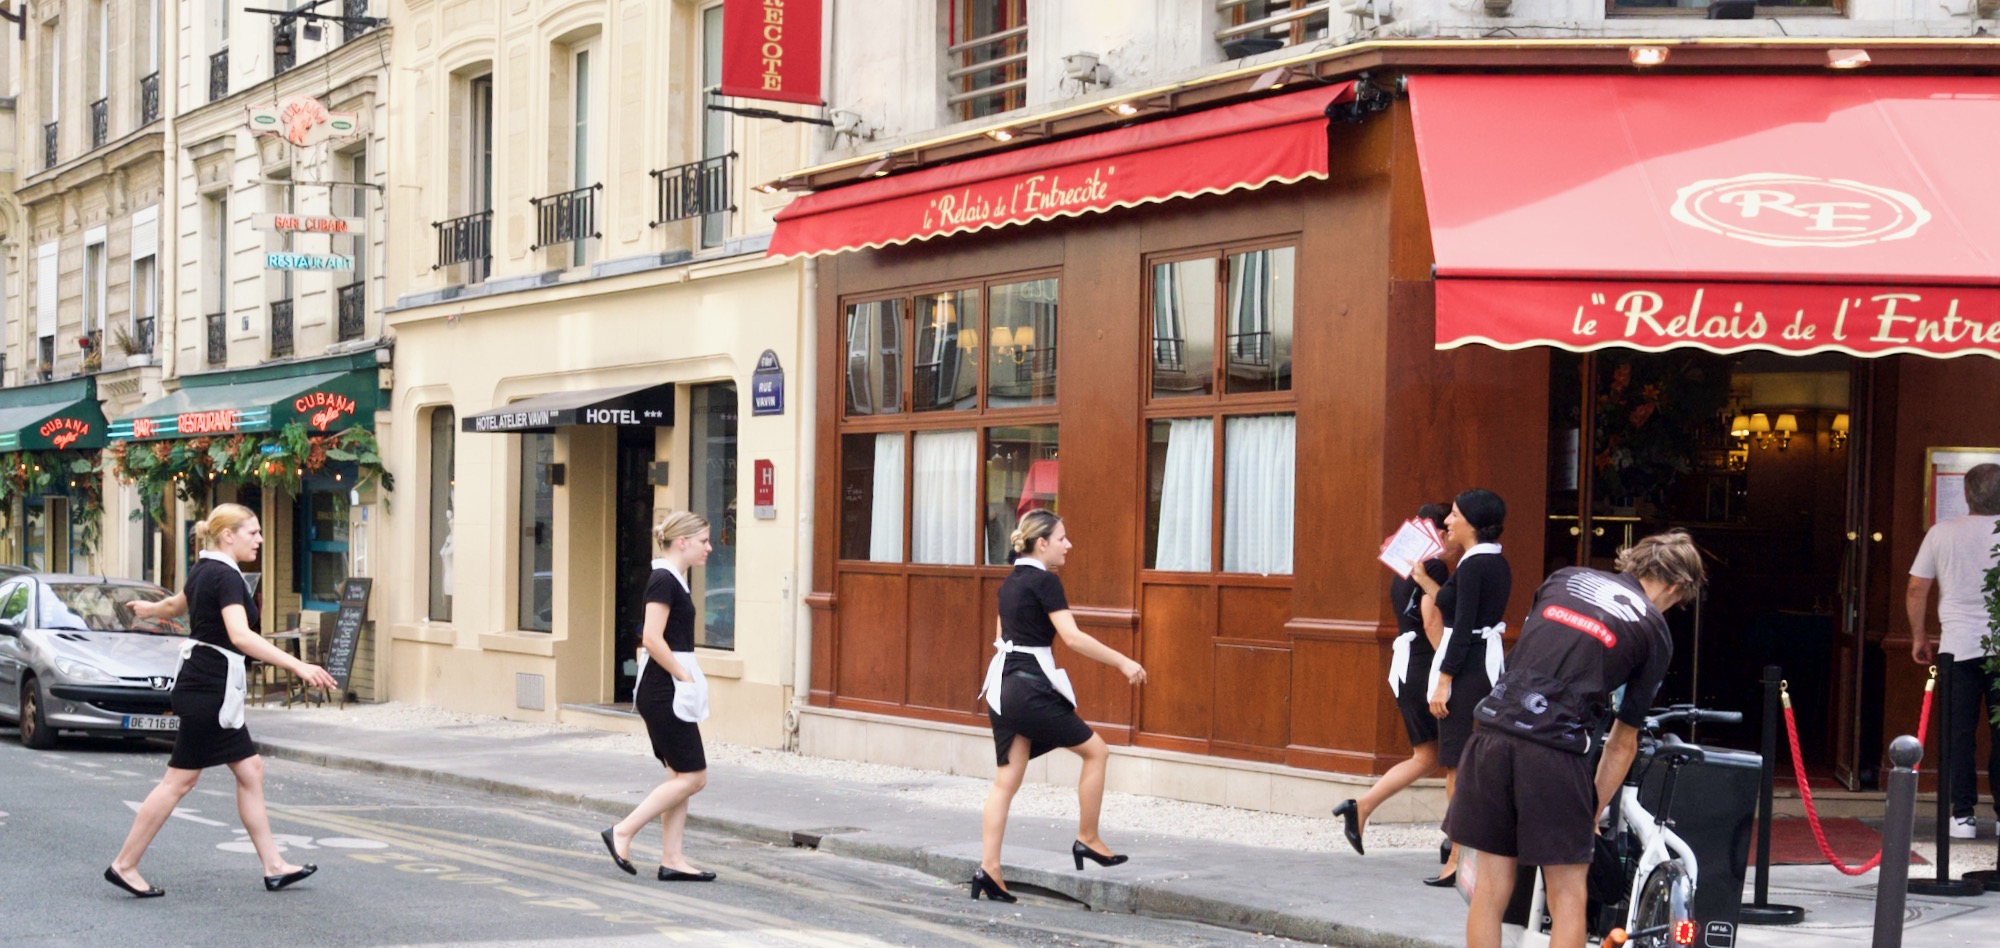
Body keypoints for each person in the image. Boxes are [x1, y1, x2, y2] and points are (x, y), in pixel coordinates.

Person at [1448, 530, 1704, 948]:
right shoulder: (1653, 627)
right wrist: (1592, 809)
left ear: (1634, 561)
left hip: (1492, 729)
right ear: (1676, 587)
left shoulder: (1562, 579)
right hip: (1553, 747)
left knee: (1491, 888)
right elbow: (1623, 741)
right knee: (1569, 894)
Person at [108, 503, 339, 898]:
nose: (260, 540)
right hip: (209, 688)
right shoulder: (226, 576)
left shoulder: (205, 569)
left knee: (250, 769)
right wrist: (298, 666)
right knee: (178, 781)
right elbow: (240, 636)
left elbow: (175, 606)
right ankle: (125, 864)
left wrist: (149, 609)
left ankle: (274, 866)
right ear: (227, 535)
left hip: (209, 682)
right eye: (253, 533)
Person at [971, 510, 1148, 902]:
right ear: (1042, 543)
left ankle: (989, 869)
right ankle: (1087, 838)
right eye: (1063, 538)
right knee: (1097, 751)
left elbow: (1001, 637)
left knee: (1006, 781)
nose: (1068, 545)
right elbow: (1072, 638)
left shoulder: (1010, 583)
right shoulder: (1046, 581)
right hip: (1028, 686)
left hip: (1002, 686)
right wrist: (1124, 661)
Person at [1334, 502, 1457, 856]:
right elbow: (1431, 618)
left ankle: (1362, 807)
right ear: (1438, 533)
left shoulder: (1406, 567)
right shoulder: (1433, 567)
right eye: (1446, 528)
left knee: (1427, 756)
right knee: (1451, 759)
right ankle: (1456, 845)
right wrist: (1447, 670)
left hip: (1407, 663)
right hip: (1423, 662)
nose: (1451, 535)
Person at [602, 511, 717, 882]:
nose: (709, 548)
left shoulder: (674, 580)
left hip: (666, 686)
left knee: (678, 775)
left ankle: (673, 858)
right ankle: (623, 831)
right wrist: (684, 676)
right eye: (704, 541)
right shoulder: (663, 580)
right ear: (682, 542)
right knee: (695, 776)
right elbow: (652, 638)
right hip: (664, 687)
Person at [1422, 488, 1512, 886]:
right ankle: (1459, 853)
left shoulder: (1476, 566)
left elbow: (1461, 631)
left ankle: (1459, 856)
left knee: (1458, 766)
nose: (1447, 522)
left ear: (1473, 523)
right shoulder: (1490, 562)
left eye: (1454, 514)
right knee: (1462, 764)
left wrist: (1444, 681)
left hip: (1468, 667)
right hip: (1480, 662)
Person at [1908, 462, 2000, 840]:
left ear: (1966, 495)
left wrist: (1919, 636)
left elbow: (1917, 589)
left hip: (1957, 648)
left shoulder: (1941, 533)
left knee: (1958, 736)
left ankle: (1962, 815)